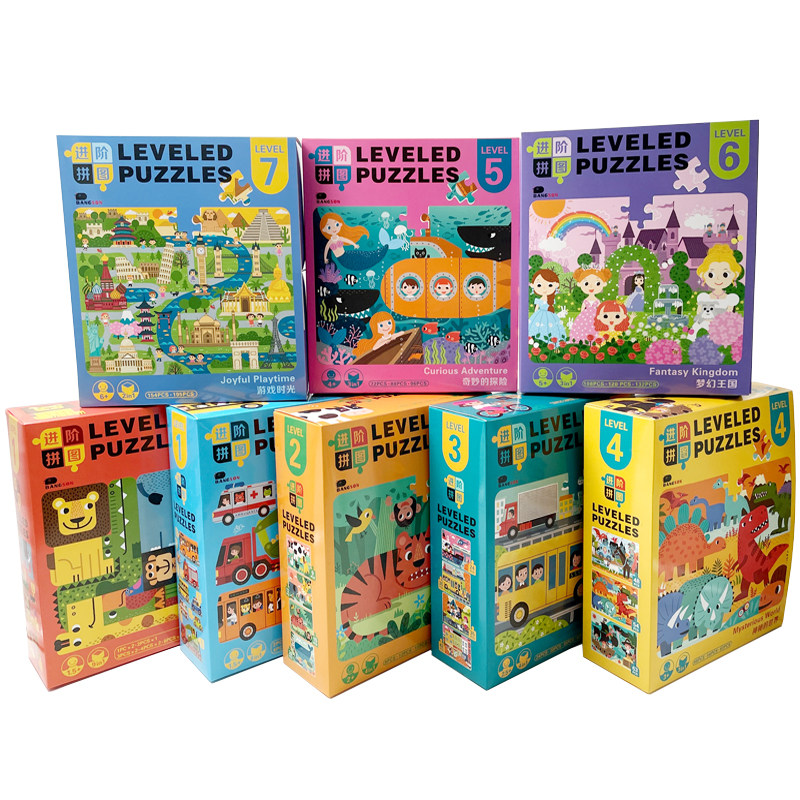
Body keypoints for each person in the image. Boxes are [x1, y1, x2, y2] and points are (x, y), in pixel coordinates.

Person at [570, 266, 611, 342]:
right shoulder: (585, 300)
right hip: (584, 317)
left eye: (597, 283)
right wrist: (581, 318)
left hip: (596, 317)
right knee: (584, 328)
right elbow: (582, 310)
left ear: (603, 284)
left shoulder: (597, 301)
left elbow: (600, 310)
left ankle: (597, 341)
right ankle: (583, 340)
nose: (591, 286)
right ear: (580, 284)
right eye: (586, 283)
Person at [528, 268, 566, 342]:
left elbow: (552, 307)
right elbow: (536, 309)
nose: (544, 288)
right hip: (539, 315)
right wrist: (535, 316)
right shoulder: (539, 300)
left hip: (550, 315)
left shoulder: (551, 300)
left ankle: (552, 342)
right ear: (533, 285)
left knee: (551, 329)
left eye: (550, 285)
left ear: (556, 285)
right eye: (539, 285)